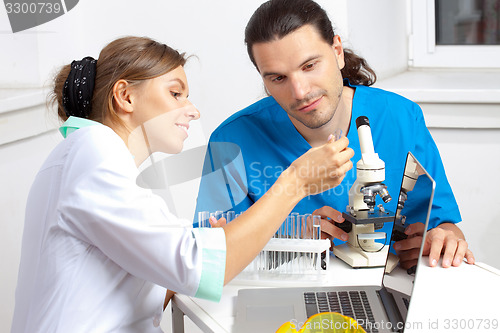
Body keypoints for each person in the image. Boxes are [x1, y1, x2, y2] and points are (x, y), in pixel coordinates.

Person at [11, 36, 354, 332]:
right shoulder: (94, 153)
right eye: (176, 94)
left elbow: (133, 294)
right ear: (125, 97)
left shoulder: (80, 156)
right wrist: (295, 181)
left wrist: (218, 245)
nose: (192, 111)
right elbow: (198, 267)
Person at [195, 0, 475, 270]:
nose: (300, 92)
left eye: (309, 66)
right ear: (263, 79)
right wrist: (289, 241)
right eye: (278, 78)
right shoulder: (232, 142)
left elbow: (443, 225)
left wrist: (445, 239)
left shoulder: (401, 118)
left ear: (337, 51)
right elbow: (205, 261)